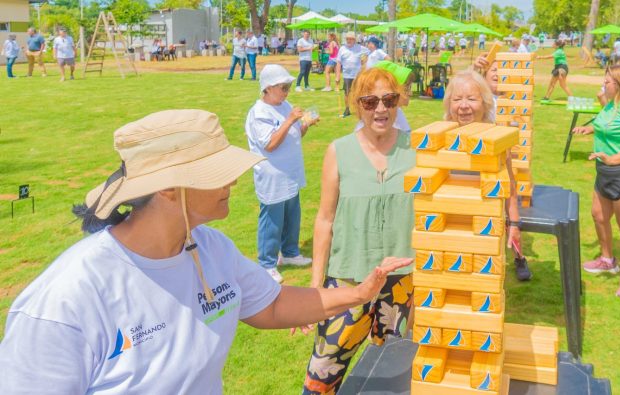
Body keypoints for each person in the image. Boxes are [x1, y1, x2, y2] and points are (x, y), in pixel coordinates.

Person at [0, 109, 412, 393]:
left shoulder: (210, 248)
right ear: (167, 188)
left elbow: (271, 305)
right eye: (217, 173)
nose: (232, 182)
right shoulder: (66, 300)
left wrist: (359, 294)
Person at [301, 68, 415, 394]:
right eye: (370, 101)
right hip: (348, 278)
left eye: (389, 100)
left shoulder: (417, 148)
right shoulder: (339, 150)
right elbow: (324, 220)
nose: (380, 109)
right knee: (323, 374)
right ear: (357, 104)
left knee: (392, 375)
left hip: (400, 282)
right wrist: (314, 286)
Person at [442, 69, 529, 280]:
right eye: (457, 99)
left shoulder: (496, 140)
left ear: (485, 103)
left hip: (486, 219)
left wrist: (515, 224)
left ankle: (519, 257)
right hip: (453, 222)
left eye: (471, 99)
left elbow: (510, 186)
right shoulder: (440, 139)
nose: (464, 106)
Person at [572, 65, 620, 300]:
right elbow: (603, 123)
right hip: (604, 170)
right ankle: (607, 259)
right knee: (598, 215)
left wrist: (614, 158)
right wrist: (589, 128)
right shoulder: (610, 104)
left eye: (608, 81)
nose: (603, 84)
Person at [245, 65, 319, 283]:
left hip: (290, 173)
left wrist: (305, 124)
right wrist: (290, 120)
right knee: (272, 220)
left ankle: (289, 252)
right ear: (267, 88)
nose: (287, 91)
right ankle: (267, 263)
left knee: (291, 215)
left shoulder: (284, 105)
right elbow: (270, 144)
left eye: (288, 87)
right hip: (272, 176)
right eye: (283, 87)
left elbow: (294, 135)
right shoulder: (259, 113)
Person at [335, 32, 369, 118]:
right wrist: (337, 76)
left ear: (354, 40)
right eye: (347, 39)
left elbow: (369, 52)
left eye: (350, 39)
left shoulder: (360, 48)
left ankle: (360, 109)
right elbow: (338, 63)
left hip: (357, 75)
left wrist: (365, 61)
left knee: (359, 93)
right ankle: (347, 110)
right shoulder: (342, 48)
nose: (348, 40)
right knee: (347, 93)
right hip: (347, 75)